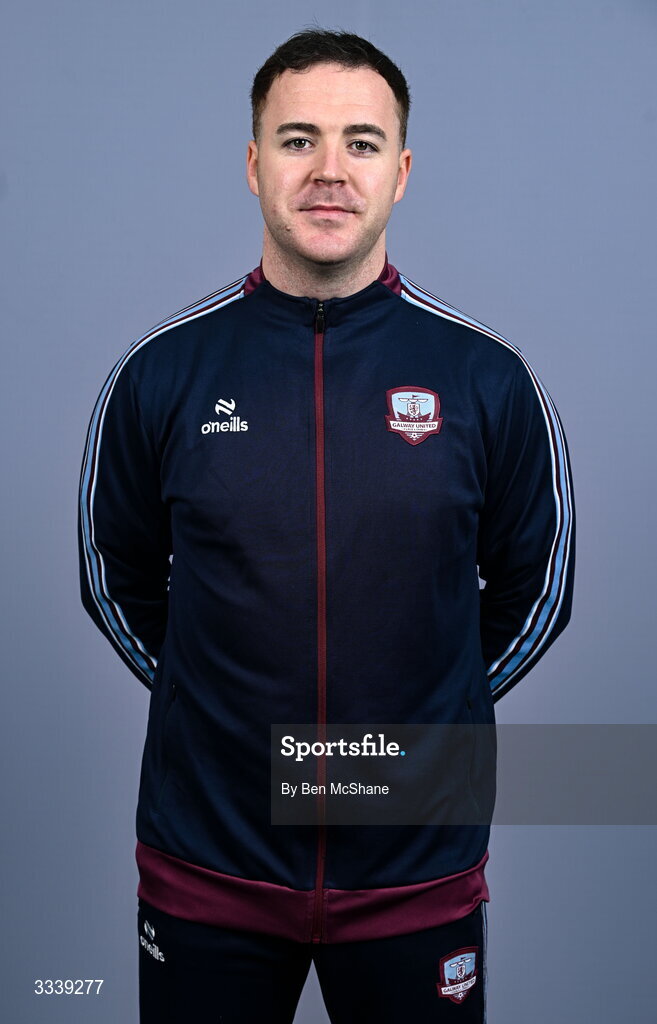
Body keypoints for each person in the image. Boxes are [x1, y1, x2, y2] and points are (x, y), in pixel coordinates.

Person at [78, 28, 575, 1024]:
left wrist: (426, 727)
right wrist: (213, 707)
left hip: (413, 876)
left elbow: (539, 588)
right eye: (298, 139)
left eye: (359, 141)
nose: (328, 171)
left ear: (399, 171)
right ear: (255, 162)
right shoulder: (161, 375)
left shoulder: (487, 379)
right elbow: (113, 572)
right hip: (208, 869)